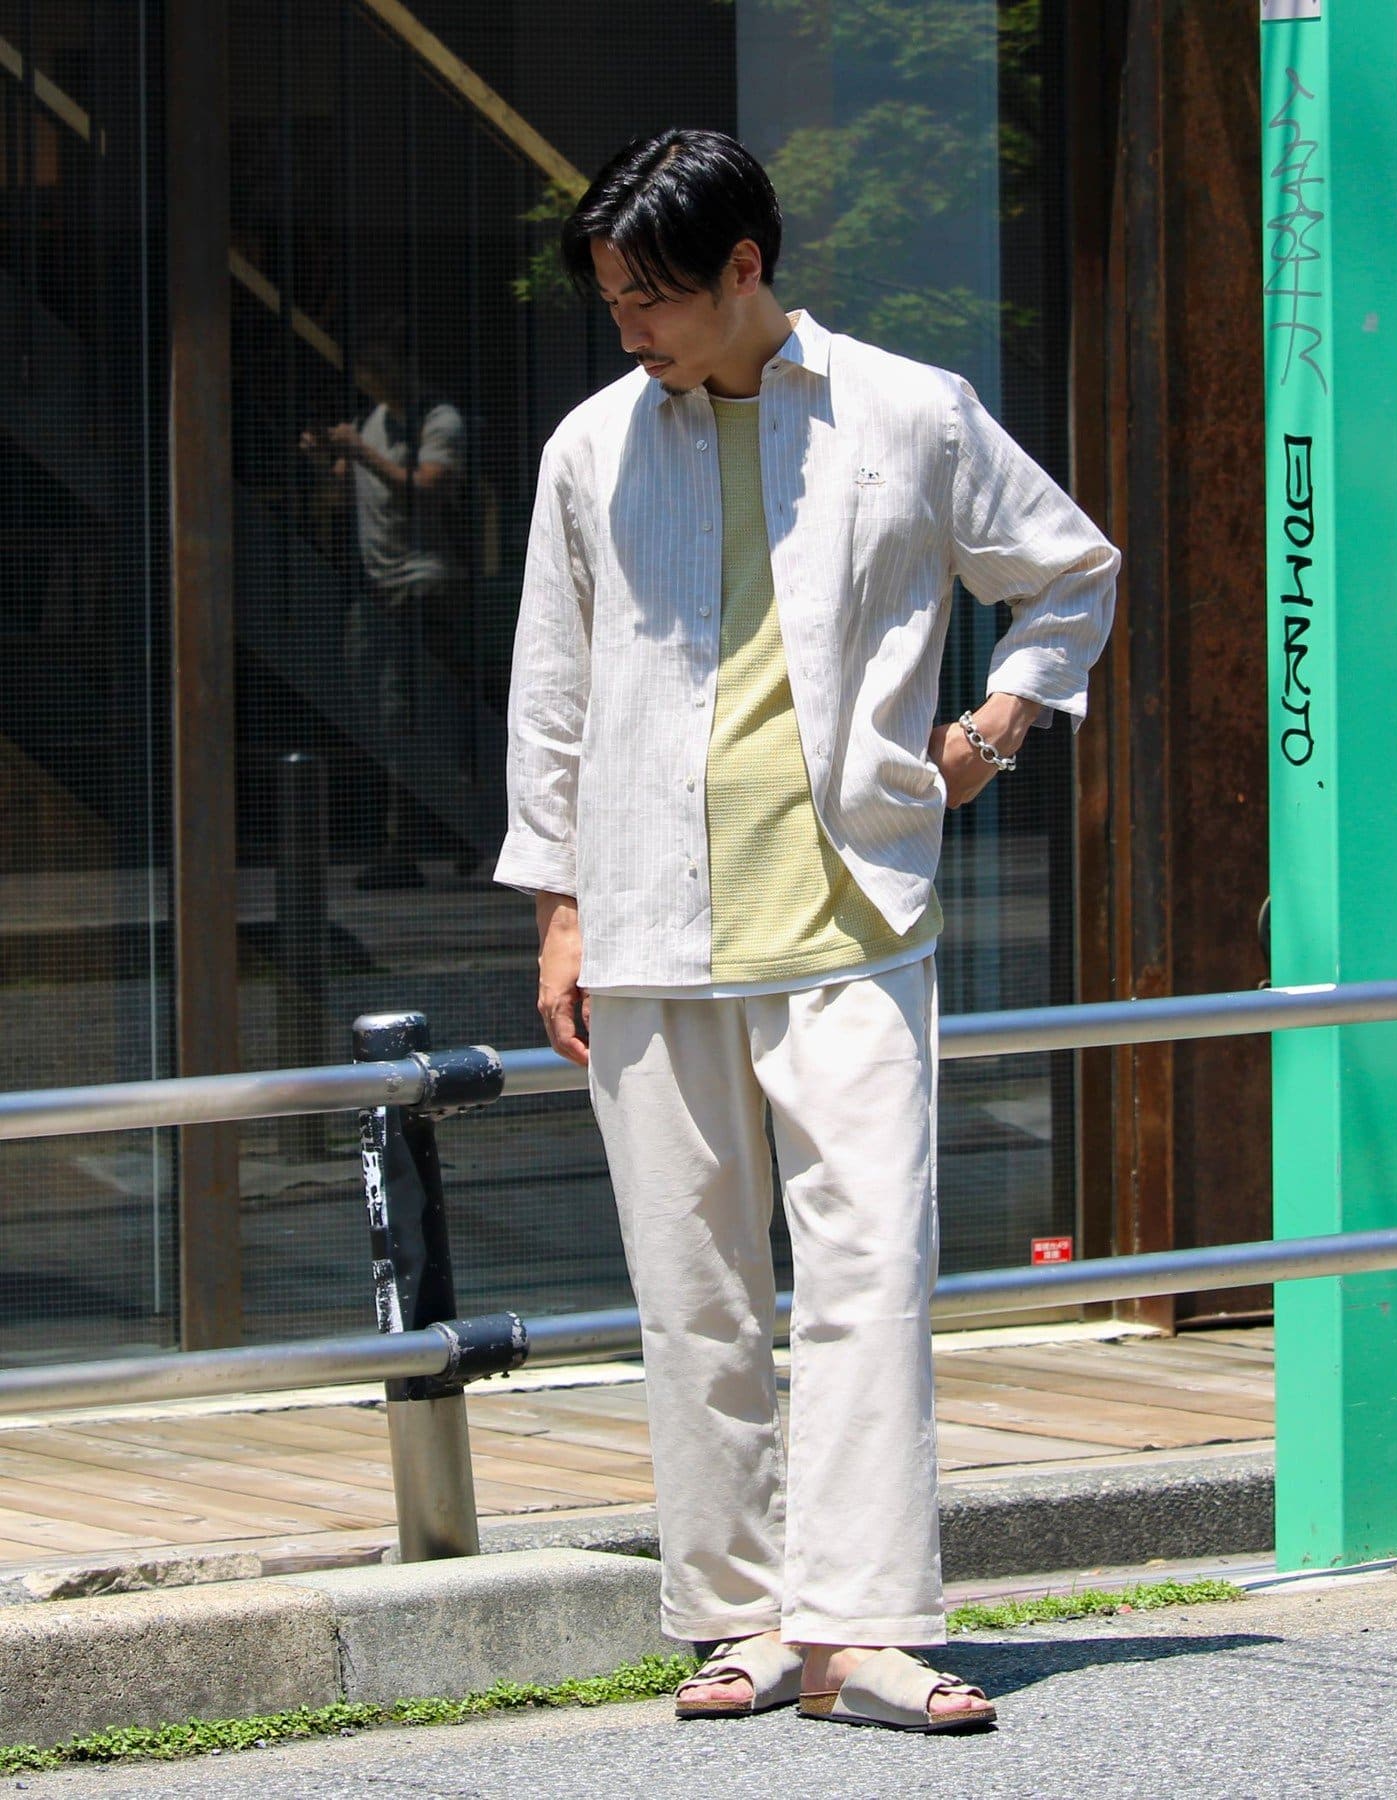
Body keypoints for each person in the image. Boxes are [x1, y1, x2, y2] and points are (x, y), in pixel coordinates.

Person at [495, 129, 1117, 1733]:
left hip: (854, 916)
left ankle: (858, 1632)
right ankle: (742, 1620)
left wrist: (991, 732)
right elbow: (553, 688)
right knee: (693, 1290)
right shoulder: (590, 447)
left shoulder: (908, 413)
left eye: (651, 296)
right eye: (613, 299)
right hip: (648, 926)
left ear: (745, 268)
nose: (629, 326)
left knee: (869, 1274)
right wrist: (559, 907)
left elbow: (1069, 573)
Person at [302, 313, 466, 890]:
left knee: (409, 716)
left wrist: (362, 454)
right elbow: (345, 496)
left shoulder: (438, 420)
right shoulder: (374, 420)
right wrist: (329, 460)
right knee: (375, 711)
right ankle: (457, 826)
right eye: (365, 370)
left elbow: (427, 488)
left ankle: (409, 846)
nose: (371, 380)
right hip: (375, 590)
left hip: (421, 586)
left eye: (379, 368)